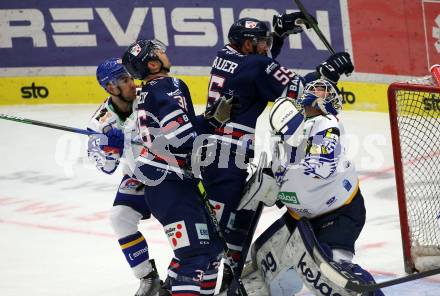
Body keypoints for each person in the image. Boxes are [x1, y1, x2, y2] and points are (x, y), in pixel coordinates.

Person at [197, 14, 355, 292]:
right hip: (226, 155)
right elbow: (298, 92)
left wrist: (280, 35)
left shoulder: (226, 55)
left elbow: (261, 71)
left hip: (213, 150)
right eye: (261, 42)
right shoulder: (256, 63)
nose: (265, 46)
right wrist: (327, 71)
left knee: (239, 218)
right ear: (247, 45)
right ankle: (205, 285)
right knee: (218, 232)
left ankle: (226, 281)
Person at [250, 79, 384, 295]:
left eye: (321, 92)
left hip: (339, 214)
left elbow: (321, 167)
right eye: (315, 90)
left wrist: (287, 173)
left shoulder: (326, 123)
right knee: (265, 261)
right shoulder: (287, 131)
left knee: (335, 271)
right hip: (299, 217)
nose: (316, 93)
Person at [121, 39, 221, 296]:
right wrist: (212, 126)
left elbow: (176, 129)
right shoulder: (168, 85)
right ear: (153, 64)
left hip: (173, 181)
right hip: (169, 184)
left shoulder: (151, 90)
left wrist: (209, 120)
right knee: (195, 254)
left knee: (210, 251)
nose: (164, 53)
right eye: (158, 53)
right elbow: (182, 137)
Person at [87, 58, 162, 296]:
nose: (132, 84)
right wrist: (111, 149)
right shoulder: (99, 123)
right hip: (138, 175)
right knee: (120, 217)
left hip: (171, 171)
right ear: (110, 88)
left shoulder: (150, 97)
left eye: (131, 77)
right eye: (124, 80)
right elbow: (106, 167)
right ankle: (148, 277)